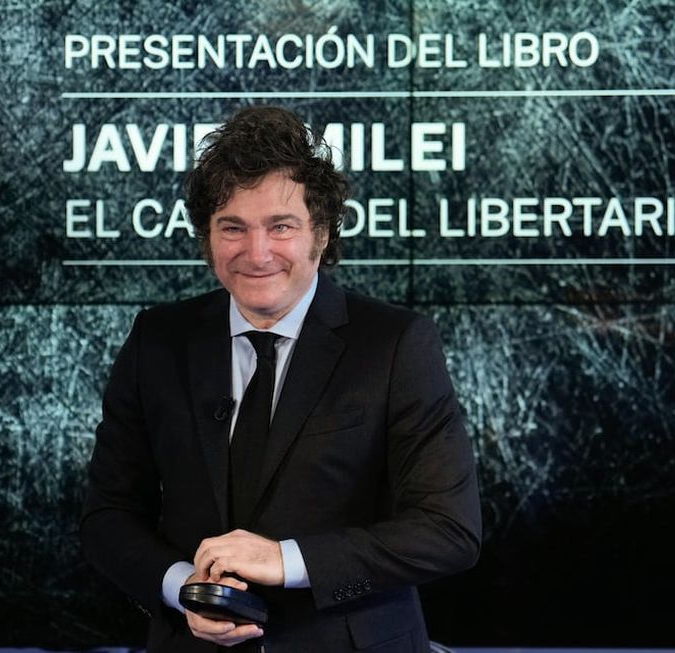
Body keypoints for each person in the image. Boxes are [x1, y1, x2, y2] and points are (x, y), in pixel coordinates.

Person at [81, 106, 482, 652]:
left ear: (321, 232)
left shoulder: (396, 345)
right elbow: (107, 516)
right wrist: (184, 590)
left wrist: (285, 559)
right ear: (207, 237)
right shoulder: (158, 341)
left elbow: (448, 531)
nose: (257, 252)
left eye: (281, 227)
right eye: (233, 228)